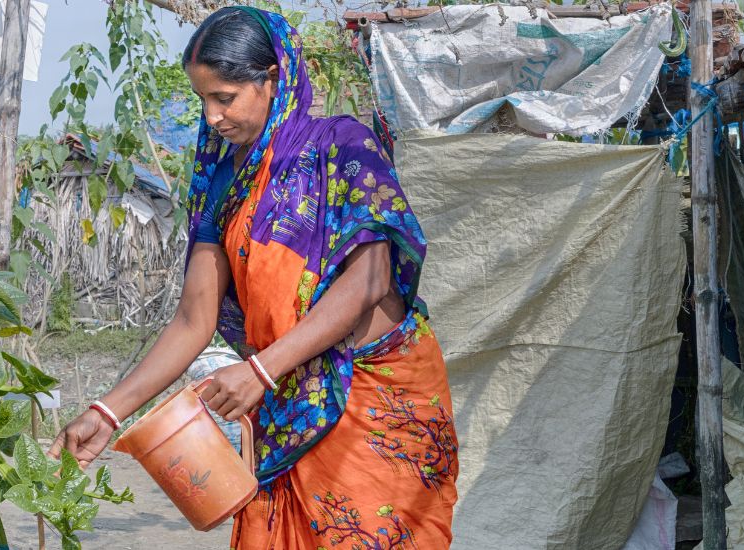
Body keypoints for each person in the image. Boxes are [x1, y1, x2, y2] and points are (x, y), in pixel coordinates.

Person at [49, 6, 458, 548]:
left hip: (375, 403)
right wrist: (106, 413)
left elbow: (369, 282)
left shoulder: (341, 148)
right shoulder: (223, 184)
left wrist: (261, 372)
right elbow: (194, 319)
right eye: (203, 100)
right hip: (285, 399)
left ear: (273, 78)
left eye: (225, 97)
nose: (213, 117)